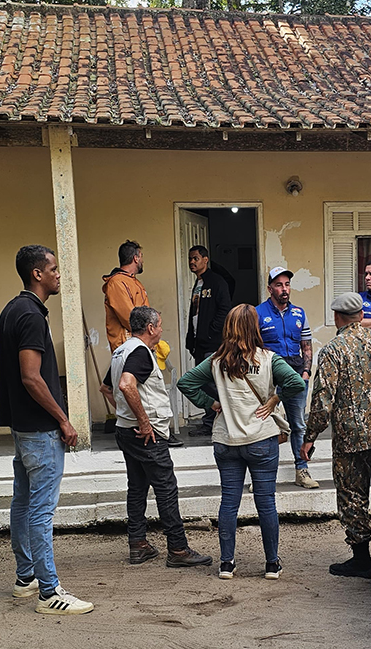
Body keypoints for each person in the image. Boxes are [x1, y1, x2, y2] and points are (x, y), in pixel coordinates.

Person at [0, 245, 93, 615]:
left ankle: (26, 578)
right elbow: (31, 378)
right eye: (53, 268)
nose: (58, 274)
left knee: (22, 502)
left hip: (23, 429)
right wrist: (64, 419)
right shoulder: (31, 315)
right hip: (39, 430)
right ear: (37, 273)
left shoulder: (12, 309)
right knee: (40, 510)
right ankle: (49, 591)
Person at [177, 304, 305, 580]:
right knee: (266, 503)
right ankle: (271, 564)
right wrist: (274, 399)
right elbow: (297, 384)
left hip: (226, 441)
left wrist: (210, 403)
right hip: (261, 440)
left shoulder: (215, 361)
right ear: (255, 328)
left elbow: (185, 383)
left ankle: (226, 563)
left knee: (229, 502)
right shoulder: (270, 359)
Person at [301, 292, 371, 579]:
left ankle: (362, 559)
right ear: (361, 316)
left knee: (352, 496)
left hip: (350, 438)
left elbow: (323, 400)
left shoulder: (333, 350)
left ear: (337, 317)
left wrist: (310, 436)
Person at [101, 306, 212, 569]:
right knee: (166, 488)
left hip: (126, 431)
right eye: (159, 324)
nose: (161, 329)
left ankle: (138, 544)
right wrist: (143, 421)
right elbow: (125, 385)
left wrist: (126, 414)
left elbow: (106, 388)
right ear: (150, 328)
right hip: (145, 434)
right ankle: (178, 548)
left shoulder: (121, 351)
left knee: (137, 487)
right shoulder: (139, 351)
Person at [102, 240, 182, 447]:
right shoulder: (117, 283)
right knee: (131, 389)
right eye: (142, 256)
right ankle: (142, 428)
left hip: (142, 343)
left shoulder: (132, 281)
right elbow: (130, 317)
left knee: (145, 391)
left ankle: (154, 429)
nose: (142, 260)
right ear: (136, 257)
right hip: (130, 344)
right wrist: (148, 334)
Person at [255, 267, 319, 489]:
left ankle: (302, 471)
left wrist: (306, 372)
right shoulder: (257, 313)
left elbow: (307, 347)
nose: (284, 289)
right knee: (263, 424)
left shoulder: (299, 313)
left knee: (298, 424)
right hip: (268, 377)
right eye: (279, 285)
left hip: (295, 376)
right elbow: (252, 348)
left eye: (287, 285)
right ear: (270, 288)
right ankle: (261, 476)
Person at [185, 245, 232, 437]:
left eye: (195, 258)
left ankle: (220, 415)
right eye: (190, 259)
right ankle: (210, 421)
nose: (192, 262)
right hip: (199, 343)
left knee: (207, 382)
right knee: (204, 381)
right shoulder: (198, 284)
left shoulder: (217, 282)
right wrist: (191, 338)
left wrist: (212, 332)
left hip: (213, 342)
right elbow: (194, 314)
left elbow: (224, 309)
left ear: (206, 259)